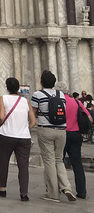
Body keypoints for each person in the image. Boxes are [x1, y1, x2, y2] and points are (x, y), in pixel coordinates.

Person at [30, 70, 75, 202]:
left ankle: (53, 193)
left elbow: (33, 112)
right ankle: (66, 187)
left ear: (41, 82)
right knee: (59, 159)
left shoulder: (38, 94)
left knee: (49, 161)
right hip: (61, 130)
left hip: (46, 130)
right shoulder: (60, 94)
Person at [0, 77, 35, 201]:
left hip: (7, 135)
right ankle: (24, 194)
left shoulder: (3, 98)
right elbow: (34, 121)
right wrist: (25, 129)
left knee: (3, 162)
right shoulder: (26, 101)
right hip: (24, 138)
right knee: (23, 165)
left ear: (7, 87)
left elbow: (1, 116)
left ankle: (2, 189)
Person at [64, 89, 91, 200]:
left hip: (63, 134)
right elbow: (89, 118)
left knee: (58, 162)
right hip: (76, 134)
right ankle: (81, 191)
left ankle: (59, 187)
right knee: (77, 163)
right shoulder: (76, 102)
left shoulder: (59, 101)